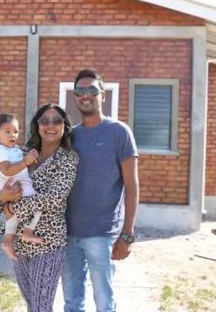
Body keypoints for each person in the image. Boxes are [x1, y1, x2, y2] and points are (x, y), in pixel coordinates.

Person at [62, 69, 139, 312]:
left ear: (103, 96)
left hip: (102, 233)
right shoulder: (71, 136)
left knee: (104, 302)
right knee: (72, 302)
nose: (86, 95)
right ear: (75, 97)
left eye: (92, 90)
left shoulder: (119, 132)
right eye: (80, 91)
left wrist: (127, 234)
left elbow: (132, 186)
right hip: (69, 234)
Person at [0, 103, 79, 311]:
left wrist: (12, 208)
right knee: (32, 305)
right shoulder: (19, 153)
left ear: (64, 126)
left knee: (41, 306)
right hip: (18, 244)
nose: (51, 125)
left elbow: (55, 198)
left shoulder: (68, 158)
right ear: (36, 125)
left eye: (57, 120)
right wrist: (2, 198)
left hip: (47, 241)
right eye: (45, 121)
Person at [0, 113, 42, 260]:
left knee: (12, 216)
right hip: (16, 184)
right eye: (7, 132)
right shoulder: (0, 152)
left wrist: (30, 157)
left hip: (19, 182)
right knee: (39, 204)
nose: (12, 135)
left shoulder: (14, 149)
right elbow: (6, 170)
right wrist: (26, 162)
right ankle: (28, 231)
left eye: (15, 131)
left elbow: (23, 160)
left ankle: (7, 242)